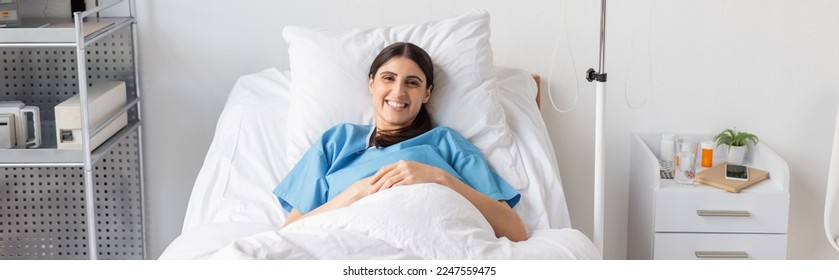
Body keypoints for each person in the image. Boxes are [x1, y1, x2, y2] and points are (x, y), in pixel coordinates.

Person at [273, 42, 528, 242]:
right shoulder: (337, 141)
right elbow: (291, 231)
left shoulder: (447, 143)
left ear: (427, 93)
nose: (398, 91)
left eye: (412, 82)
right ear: (371, 82)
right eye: (388, 78)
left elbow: (515, 230)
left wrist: (439, 178)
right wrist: (357, 192)